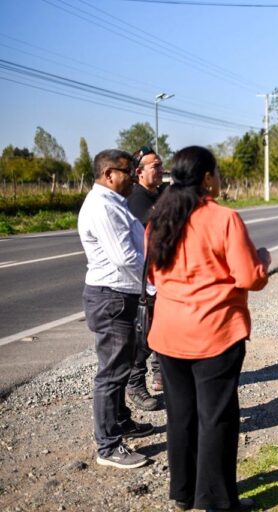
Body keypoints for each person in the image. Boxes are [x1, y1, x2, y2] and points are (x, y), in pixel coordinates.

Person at [146, 146, 270, 511]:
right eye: (215, 173)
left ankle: (183, 494)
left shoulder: (159, 218)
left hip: (168, 334)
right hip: (215, 333)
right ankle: (216, 501)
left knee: (180, 416)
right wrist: (263, 260)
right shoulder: (224, 218)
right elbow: (249, 277)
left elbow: (152, 275)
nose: (218, 179)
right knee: (216, 418)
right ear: (206, 178)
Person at [78, 149, 154, 469]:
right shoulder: (102, 207)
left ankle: (121, 421)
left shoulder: (114, 203)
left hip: (120, 295)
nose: (134, 177)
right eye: (128, 171)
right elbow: (126, 257)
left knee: (121, 365)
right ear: (109, 174)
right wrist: (153, 285)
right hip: (112, 296)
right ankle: (108, 446)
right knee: (111, 373)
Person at [125, 145, 165, 411]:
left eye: (161, 165)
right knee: (146, 332)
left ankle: (161, 373)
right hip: (144, 277)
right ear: (139, 172)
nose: (161, 170)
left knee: (165, 326)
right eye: (155, 166)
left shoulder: (162, 192)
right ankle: (135, 383)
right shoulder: (135, 198)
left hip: (165, 274)